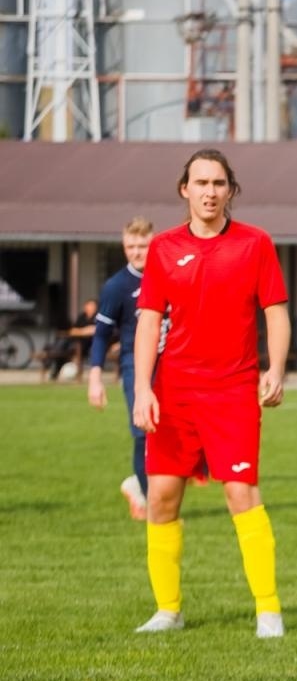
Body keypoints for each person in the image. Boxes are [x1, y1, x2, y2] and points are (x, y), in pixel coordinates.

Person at [130, 149, 290, 638]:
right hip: (173, 391)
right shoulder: (162, 248)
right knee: (160, 497)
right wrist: (142, 388)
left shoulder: (255, 244)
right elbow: (149, 320)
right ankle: (168, 610)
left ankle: (268, 610)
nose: (209, 192)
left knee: (242, 493)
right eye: (200, 183)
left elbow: (276, 311)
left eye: (219, 183)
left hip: (233, 391)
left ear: (230, 191)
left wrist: (276, 368)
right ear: (185, 189)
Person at [87, 216, 155, 521]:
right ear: (123, 246)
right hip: (134, 366)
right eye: (131, 246)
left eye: (143, 245)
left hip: (172, 365)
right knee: (143, 434)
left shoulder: (168, 276)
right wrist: (95, 378)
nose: (138, 252)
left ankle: (140, 486)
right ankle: (150, 501)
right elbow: (101, 336)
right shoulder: (116, 287)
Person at [46, 299, 98, 380]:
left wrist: (81, 331)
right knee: (62, 345)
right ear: (85, 307)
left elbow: (94, 330)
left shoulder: (97, 317)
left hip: (88, 345)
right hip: (75, 342)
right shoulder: (82, 317)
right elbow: (72, 331)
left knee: (70, 347)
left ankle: (53, 355)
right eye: (89, 305)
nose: (91, 308)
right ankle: (53, 359)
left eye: (93, 306)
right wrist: (84, 331)